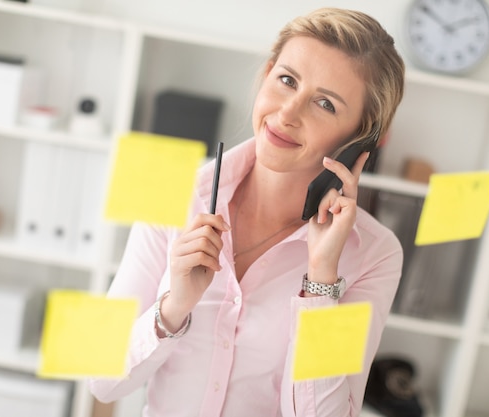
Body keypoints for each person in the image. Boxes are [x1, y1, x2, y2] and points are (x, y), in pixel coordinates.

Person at [90, 7, 405, 416]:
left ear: (361, 139)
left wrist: (321, 281)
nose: (288, 113)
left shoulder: (374, 254)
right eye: (287, 80)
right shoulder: (176, 194)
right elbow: (101, 378)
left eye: (324, 104)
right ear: (267, 74)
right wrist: (172, 309)